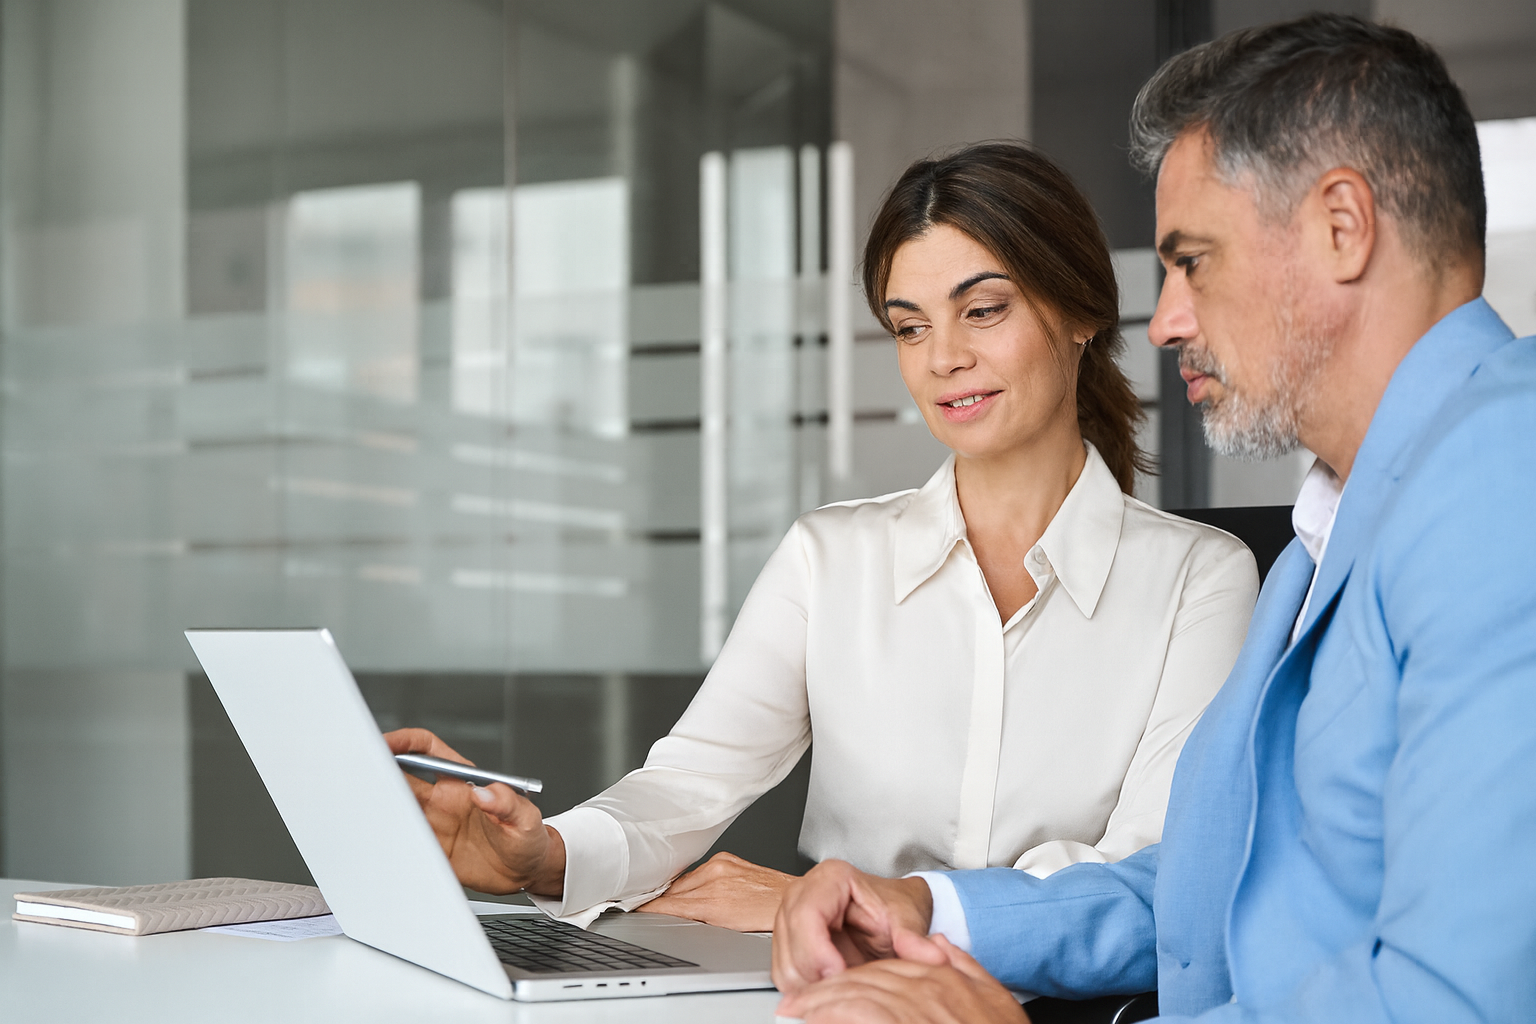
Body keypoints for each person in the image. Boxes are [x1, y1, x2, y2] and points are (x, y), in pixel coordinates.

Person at [771, 13, 1536, 1024]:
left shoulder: (1503, 472)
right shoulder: (1338, 526)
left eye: (1193, 261)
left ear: (1342, 227)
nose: (1166, 316)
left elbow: (1450, 1000)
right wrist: (928, 908)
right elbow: (1207, 888)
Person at [388, 143, 1258, 934]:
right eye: (910, 326)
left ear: (1081, 315)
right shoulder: (830, 558)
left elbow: (1153, 873)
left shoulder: (1200, 581)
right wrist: (550, 857)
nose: (941, 358)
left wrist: (857, 908)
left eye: (983, 310)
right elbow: (690, 782)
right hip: (826, 994)